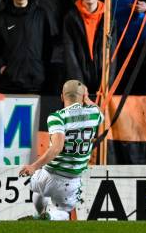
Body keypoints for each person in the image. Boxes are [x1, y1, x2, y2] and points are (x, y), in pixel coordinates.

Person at [19, 79, 104, 221]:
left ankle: (40, 214)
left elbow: (57, 147)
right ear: (83, 97)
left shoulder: (57, 117)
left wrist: (34, 166)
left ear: (61, 97)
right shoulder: (95, 114)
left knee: (38, 187)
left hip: (48, 174)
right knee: (63, 212)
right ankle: (49, 217)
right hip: (70, 180)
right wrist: (87, 98)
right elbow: (100, 113)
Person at [0, 0, 57, 93]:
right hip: (9, 80)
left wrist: (42, 68)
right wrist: (1, 67)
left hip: (35, 79)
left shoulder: (41, 15)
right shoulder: (2, 17)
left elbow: (48, 45)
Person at [63, 0, 114, 96]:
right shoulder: (71, 17)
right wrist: (78, 84)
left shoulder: (108, 18)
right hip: (79, 74)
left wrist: (107, 83)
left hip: (102, 77)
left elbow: (112, 52)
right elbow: (69, 51)